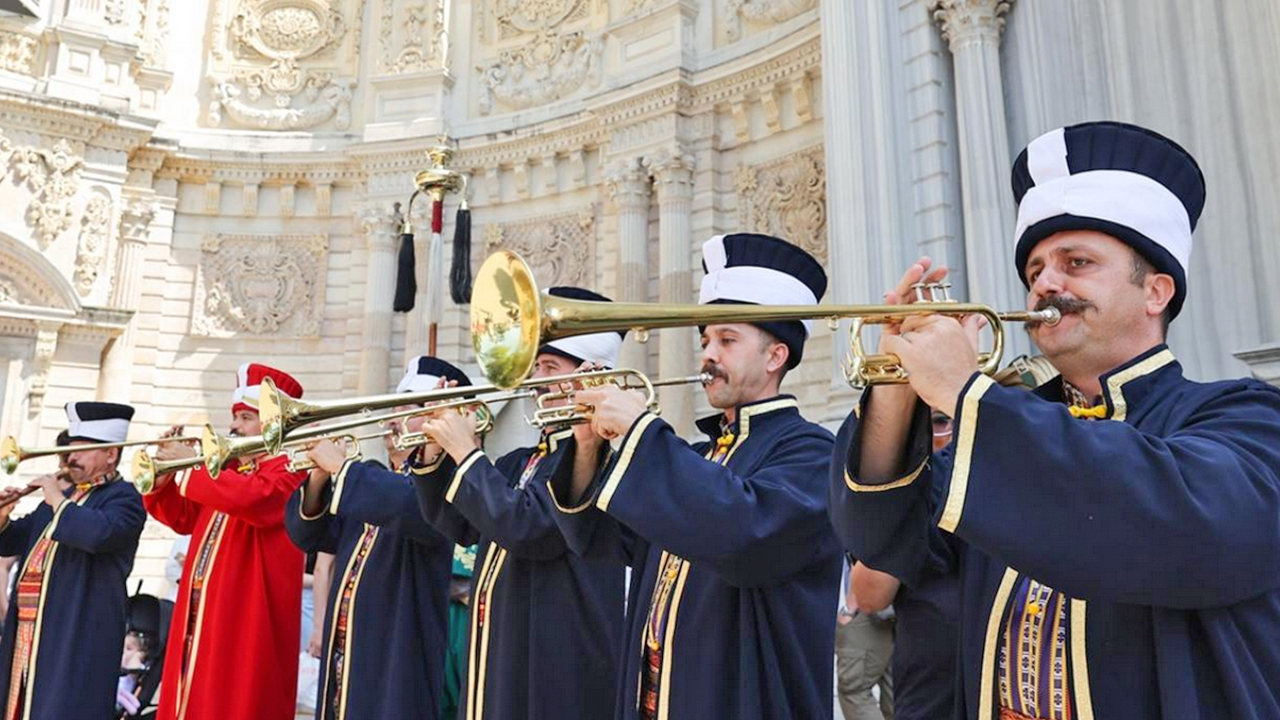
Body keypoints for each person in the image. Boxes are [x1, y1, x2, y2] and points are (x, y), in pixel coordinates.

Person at [829, 121, 1280, 719]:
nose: (1045, 283)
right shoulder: (999, 429)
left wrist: (965, 392)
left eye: (1077, 262)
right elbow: (885, 545)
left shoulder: (1244, 418)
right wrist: (896, 385)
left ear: (1156, 292)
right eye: (1035, 269)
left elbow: (1181, 528)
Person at [543, 233, 842, 719]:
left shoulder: (810, 451)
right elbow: (598, 539)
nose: (708, 355)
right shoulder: (697, 458)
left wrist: (640, 430)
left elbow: (745, 534)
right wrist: (587, 444)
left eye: (727, 340)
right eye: (705, 341)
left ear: (775, 356)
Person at [414, 288, 628, 720]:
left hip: (558, 654)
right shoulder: (521, 460)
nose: (534, 379)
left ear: (590, 375)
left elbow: (529, 529)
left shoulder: (598, 460)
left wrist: (466, 452)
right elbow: (457, 524)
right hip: (503, 643)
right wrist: (436, 450)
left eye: (549, 367)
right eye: (536, 366)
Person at [285, 355, 457, 720]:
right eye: (393, 407)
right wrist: (318, 477)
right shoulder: (371, 480)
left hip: (398, 649)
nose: (392, 419)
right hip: (346, 647)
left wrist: (341, 467)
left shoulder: (445, 485)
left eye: (407, 408)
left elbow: (414, 509)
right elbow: (308, 536)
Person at [144, 363, 307, 720]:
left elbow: (253, 500)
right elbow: (183, 518)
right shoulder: (229, 472)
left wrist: (190, 466)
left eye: (246, 417)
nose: (234, 426)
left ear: (275, 423)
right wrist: (165, 478)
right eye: (235, 417)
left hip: (246, 617)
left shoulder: (290, 469)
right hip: (200, 610)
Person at [0, 403, 147, 720]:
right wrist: (2, 519)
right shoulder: (65, 497)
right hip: (30, 629)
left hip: (76, 632)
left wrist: (55, 498)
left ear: (111, 454)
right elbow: (17, 539)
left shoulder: (125, 498)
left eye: (82, 450)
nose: (71, 458)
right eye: (70, 449)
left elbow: (98, 535)